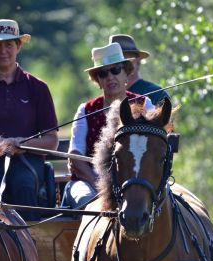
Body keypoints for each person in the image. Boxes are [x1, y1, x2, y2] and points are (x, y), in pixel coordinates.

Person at [0, 19, 59, 220]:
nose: (2, 50)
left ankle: (31, 243)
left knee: (23, 184)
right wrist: (2, 146)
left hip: (28, 161)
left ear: (18, 46)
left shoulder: (38, 88)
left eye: (8, 44)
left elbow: (52, 140)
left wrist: (22, 144)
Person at [62, 42, 154, 209]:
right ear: (98, 80)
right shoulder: (85, 110)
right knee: (88, 202)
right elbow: (75, 156)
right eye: (103, 73)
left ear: (127, 73)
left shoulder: (145, 104)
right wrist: (102, 187)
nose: (110, 77)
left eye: (116, 70)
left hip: (134, 182)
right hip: (90, 184)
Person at [110, 34, 168, 104]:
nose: (122, 66)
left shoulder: (156, 93)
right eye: (116, 62)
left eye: (127, 60)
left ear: (138, 60)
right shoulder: (106, 99)